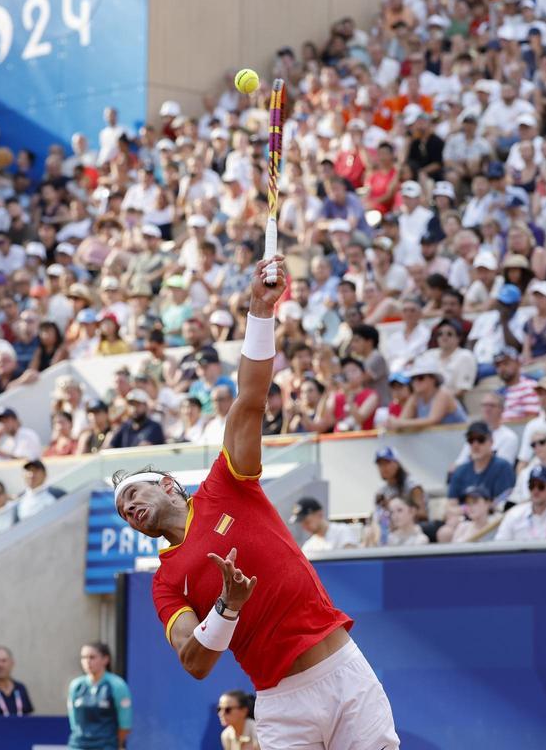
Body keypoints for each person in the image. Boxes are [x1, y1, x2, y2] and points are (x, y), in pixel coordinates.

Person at [111, 258, 399, 749]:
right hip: (282, 704)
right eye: (123, 510)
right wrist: (228, 607)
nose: (130, 508)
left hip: (344, 671)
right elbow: (194, 661)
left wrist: (260, 311)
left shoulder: (228, 483)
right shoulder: (165, 582)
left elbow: (250, 398)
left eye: (134, 493)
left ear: (166, 484)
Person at [67, 643, 133, 750]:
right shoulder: (76, 686)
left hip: (106, 746)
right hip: (78, 745)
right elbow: (74, 722)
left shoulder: (117, 685)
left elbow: (125, 725)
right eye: (83, 657)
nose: (87, 661)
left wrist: (116, 744)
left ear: (105, 660)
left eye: (92, 657)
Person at [495, 467, 546, 542]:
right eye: (531, 486)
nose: (535, 491)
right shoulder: (514, 514)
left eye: (541, 486)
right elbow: (499, 546)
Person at [447, 421, 516, 506]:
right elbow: (450, 505)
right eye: (471, 440)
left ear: (491, 441)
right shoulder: (460, 471)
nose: (475, 445)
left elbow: (502, 503)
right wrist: (467, 510)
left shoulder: (503, 467)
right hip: (463, 518)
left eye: (480, 439)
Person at [292, 496, 361, 554]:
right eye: (301, 523)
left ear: (319, 514)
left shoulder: (342, 531)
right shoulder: (308, 546)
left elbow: (351, 562)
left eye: (307, 522)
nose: (304, 526)